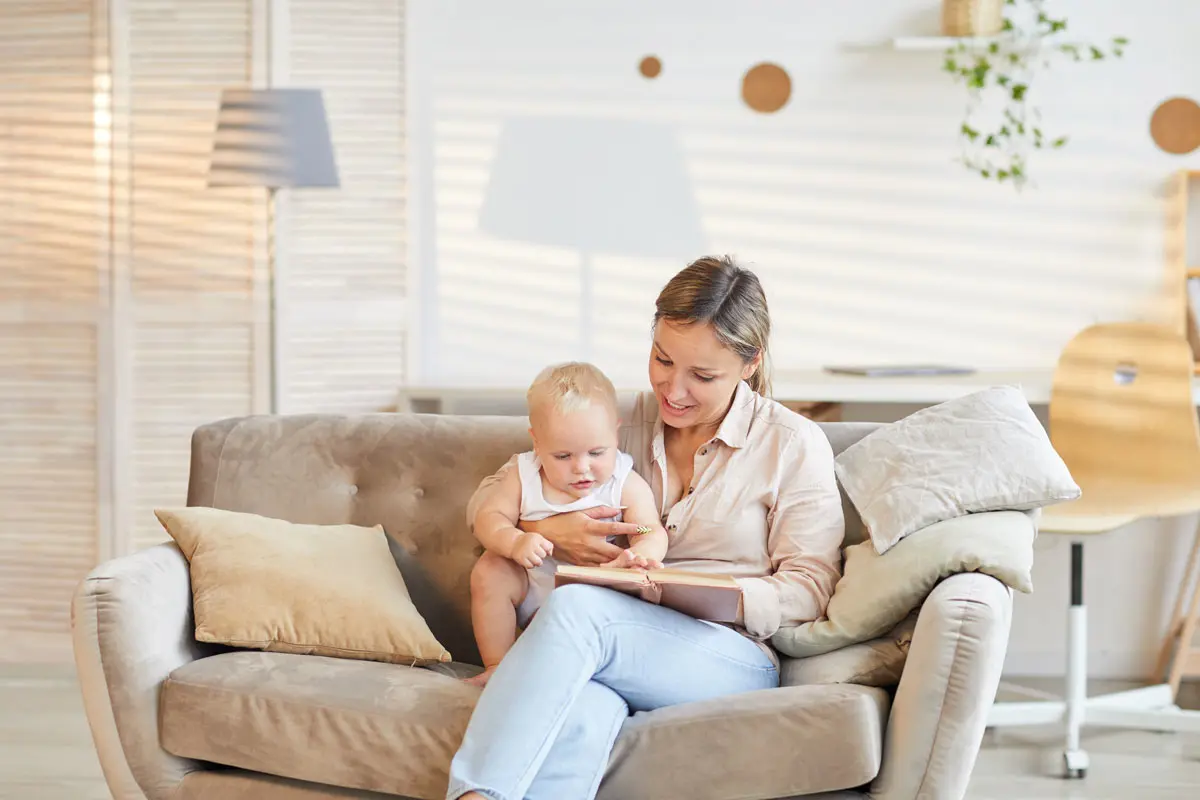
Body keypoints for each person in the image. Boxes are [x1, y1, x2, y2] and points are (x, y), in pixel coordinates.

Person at [447, 255, 845, 800]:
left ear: (750, 363)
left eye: (702, 376)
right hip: (610, 647)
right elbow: (486, 501)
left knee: (579, 611)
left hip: (726, 654)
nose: (674, 390)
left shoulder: (791, 445)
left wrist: (712, 594)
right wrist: (552, 527)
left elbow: (811, 586)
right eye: (662, 360)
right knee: (581, 710)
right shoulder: (614, 420)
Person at [466, 361, 669, 688]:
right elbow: (489, 518)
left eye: (597, 452)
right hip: (531, 583)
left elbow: (649, 528)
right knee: (490, 570)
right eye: (563, 456)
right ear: (536, 441)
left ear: (615, 433)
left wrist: (642, 555)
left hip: (595, 592)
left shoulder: (622, 481)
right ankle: (497, 665)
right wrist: (515, 541)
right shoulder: (524, 475)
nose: (582, 468)